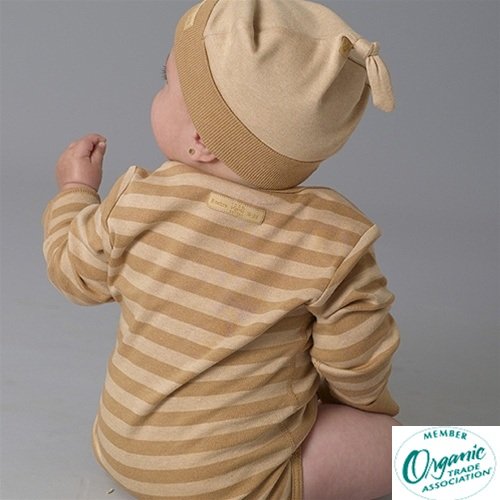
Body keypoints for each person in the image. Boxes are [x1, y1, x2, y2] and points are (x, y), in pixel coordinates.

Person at [43, 0, 401, 498]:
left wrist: (75, 191)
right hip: (242, 480)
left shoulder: (137, 203)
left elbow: (72, 269)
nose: (156, 91)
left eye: (165, 81)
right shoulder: (332, 241)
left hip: (124, 453)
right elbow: (356, 362)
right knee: (408, 447)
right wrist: (358, 412)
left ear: (200, 141)